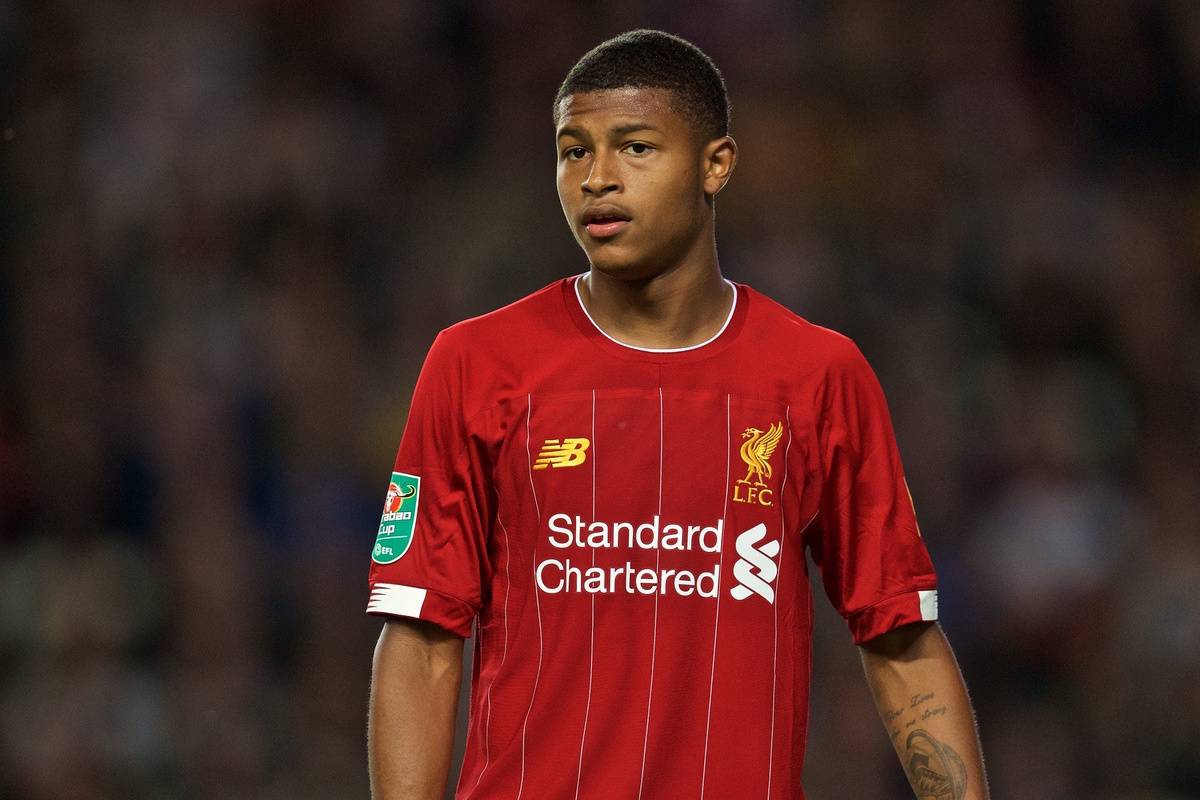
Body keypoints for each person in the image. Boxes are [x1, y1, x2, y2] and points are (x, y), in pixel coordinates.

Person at [366, 28, 989, 800]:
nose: (596, 178)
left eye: (634, 148)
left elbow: (900, 639)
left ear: (715, 164)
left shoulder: (819, 377)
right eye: (572, 151)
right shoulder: (476, 364)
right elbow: (422, 638)